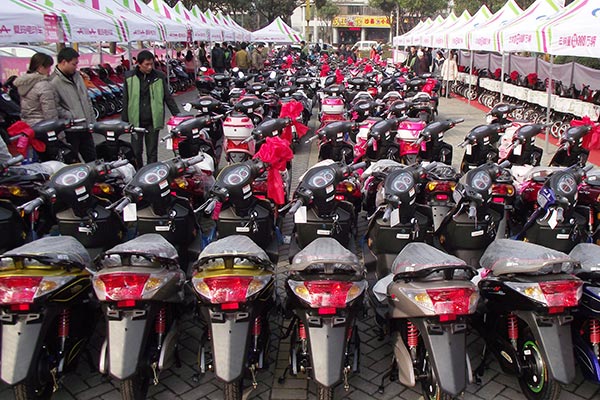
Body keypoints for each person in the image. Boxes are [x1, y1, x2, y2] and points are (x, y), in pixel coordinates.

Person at [121, 50, 180, 167]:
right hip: (136, 121)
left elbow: (167, 97)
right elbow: (126, 99)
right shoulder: (129, 77)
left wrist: (177, 115)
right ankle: (138, 173)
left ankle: (152, 173)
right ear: (139, 64)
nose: (149, 67)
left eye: (151, 64)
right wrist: (124, 120)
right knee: (136, 151)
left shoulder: (159, 77)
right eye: (146, 64)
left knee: (152, 151)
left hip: (153, 119)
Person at [51, 47, 97, 162]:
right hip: (70, 130)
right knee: (73, 162)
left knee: (92, 159)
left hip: (85, 127)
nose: (76, 67)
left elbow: (86, 99)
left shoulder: (78, 77)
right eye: (73, 64)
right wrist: (70, 115)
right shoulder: (53, 82)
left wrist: (92, 121)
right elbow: (55, 106)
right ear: (63, 62)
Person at [14, 52, 58, 127]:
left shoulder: (24, 83)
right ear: (40, 67)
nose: (49, 70)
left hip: (28, 125)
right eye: (48, 67)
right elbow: (49, 112)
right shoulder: (43, 85)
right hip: (43, 126)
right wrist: (59, 132)